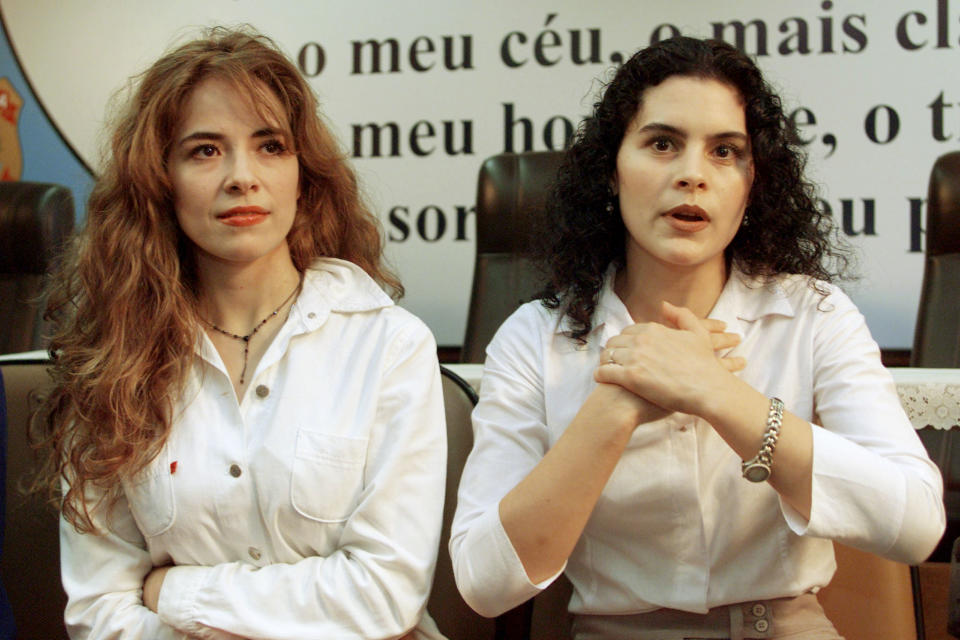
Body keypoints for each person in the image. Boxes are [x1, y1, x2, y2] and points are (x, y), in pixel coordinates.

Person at [450, 36, 945, 639]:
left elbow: (917, 524)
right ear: (611, 169)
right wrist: (616, 406)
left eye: (725, 151)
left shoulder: (813, 313)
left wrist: (718, 394)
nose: (692, 175)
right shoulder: (535, 337)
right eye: (662, 144)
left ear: (752, 181)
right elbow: (483, 582)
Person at [31, 27, 446, 640]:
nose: (241, 177)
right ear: (159, 180)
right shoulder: (110, 359)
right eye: (204, 150)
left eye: (270, 146)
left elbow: (383, 597)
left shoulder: (388, 346)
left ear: (303, 173)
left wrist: (176, 591)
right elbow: (100, 611)